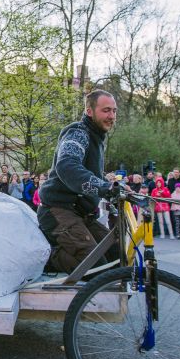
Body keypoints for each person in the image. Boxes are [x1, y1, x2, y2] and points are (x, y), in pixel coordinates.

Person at [37, 91, 120, 273]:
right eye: (106, 110)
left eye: (114, 111)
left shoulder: (96, 138)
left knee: (117, 255)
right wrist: (104, 188)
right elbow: (67, 165)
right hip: (58, 210)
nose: (111, 116)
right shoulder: (78, 133)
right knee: (95, 268)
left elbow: (88, 172)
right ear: (89, 111)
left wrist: (116, 186)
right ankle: (42, 259)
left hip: (82, 214)